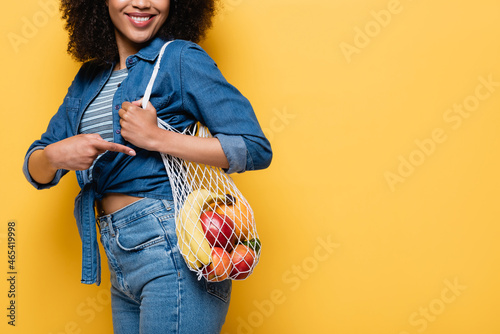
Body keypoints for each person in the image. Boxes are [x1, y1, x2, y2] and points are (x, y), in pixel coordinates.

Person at [22, 0, 272, 332]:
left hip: (173, 246)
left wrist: (157, 138)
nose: (142, 2)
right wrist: (56, 156)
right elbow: (35, 166)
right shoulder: (89, 78)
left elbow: (254, 147)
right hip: (117, 253)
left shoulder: (180, 59)